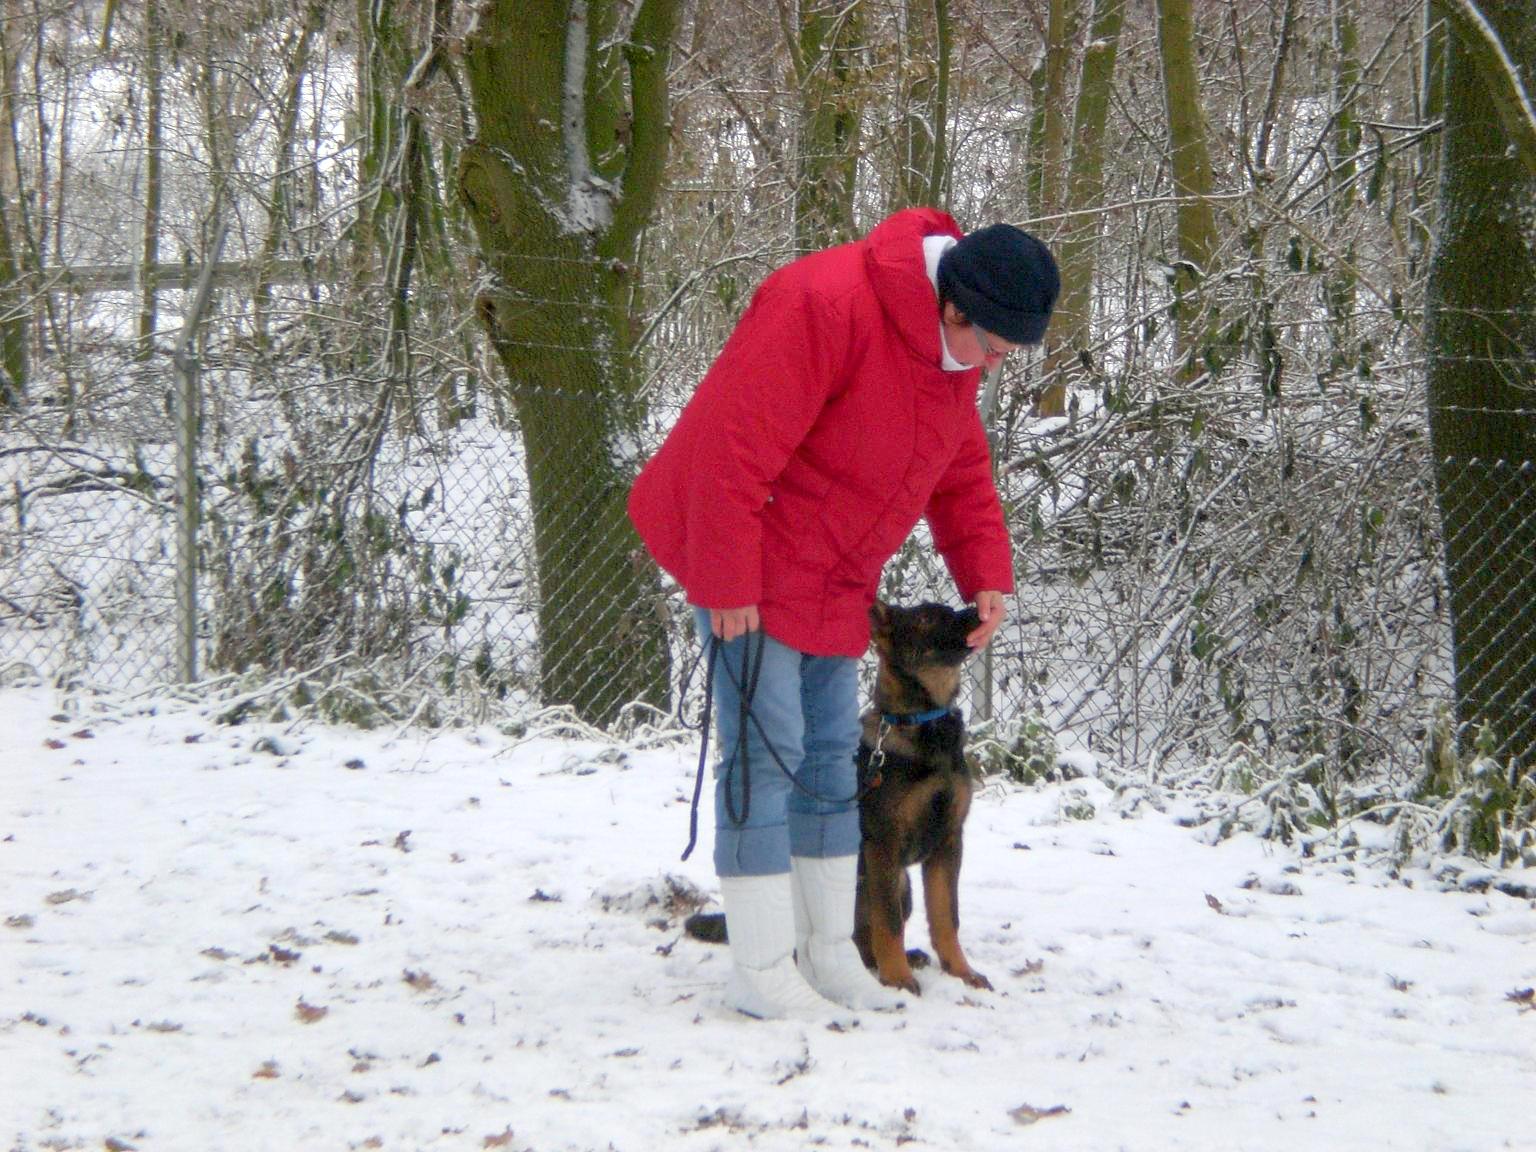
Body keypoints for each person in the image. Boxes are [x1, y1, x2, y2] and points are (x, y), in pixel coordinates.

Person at [628, 207, 1058, 1019]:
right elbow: (731, 445)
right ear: (955, 306)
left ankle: (827, 953)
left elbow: (959, 469)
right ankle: (760, 969)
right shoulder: (822, 305)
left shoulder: (951, 356)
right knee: (765, 756)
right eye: (996, 345)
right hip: (747, 558)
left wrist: (986, 571)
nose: (997, 365)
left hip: (834, 572)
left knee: (830, 763)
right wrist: (724, 579)